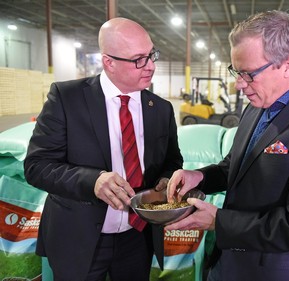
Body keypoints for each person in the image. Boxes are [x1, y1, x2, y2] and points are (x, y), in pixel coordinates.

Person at [165, 10, 289, 281]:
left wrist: (219, 222)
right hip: (227, 263)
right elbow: (235, 166)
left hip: (273, 271)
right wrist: (200, 176)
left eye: (248, 73)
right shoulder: (257, 107)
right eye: (236, 71)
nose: (238, 84)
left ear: (288, 64)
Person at [24, 17, 183, 281]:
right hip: (79, 238)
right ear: (109, 62)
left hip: (137, 238)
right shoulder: (67, 98)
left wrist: (166, 180)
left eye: (152, 55)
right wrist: (93, 181)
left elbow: (172, 159)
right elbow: (36, 167)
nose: (151, 66)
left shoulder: (161, 108)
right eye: (139, 59)